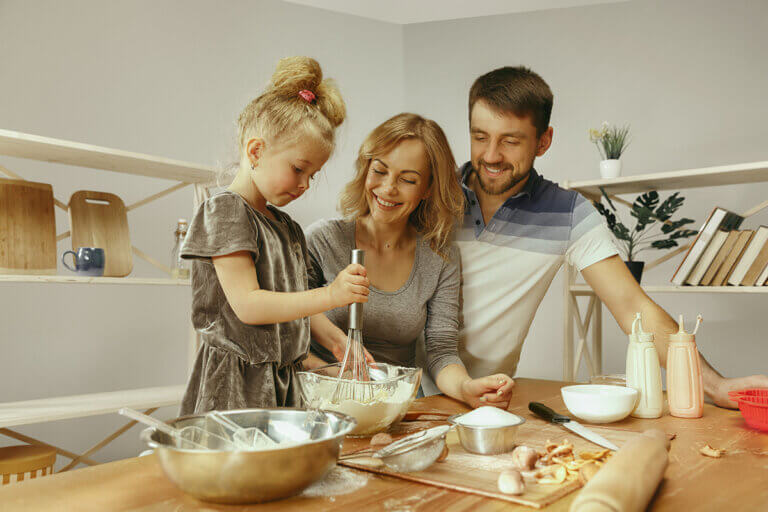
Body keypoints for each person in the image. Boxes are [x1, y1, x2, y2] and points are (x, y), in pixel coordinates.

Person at [423, 65, 768, 407]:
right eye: (479, 137)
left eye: (510, 141)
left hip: (486, 401)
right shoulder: (431, 196)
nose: (491, 156)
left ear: (544, 141)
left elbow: (633, 307)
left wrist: (715, 385)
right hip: (404, 394)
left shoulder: (568, 213)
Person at [178, 57, 370, 415]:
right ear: (256, 151)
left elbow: (291, 302)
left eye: (312, 175)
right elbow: (250, 305)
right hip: (235, 388)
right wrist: (332, 294)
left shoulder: (287, 228)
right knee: (239, 471)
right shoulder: (226, 212)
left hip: (283, 382)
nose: (304, 184)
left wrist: (335, 339)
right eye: (298, 169)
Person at [305, 113, 515, 408]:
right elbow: (286, 327)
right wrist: (327, 374)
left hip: (396, 405)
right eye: (379, 170)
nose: (389, 188)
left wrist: (467, 388)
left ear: (427, 188)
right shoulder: (322, 240)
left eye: (407, 179)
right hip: (322, 398)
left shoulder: (440, 257)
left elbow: (441, 350)